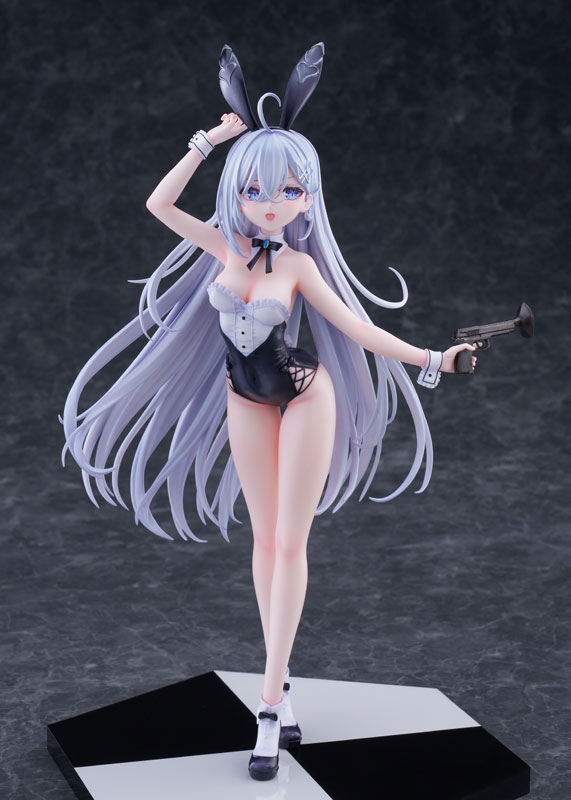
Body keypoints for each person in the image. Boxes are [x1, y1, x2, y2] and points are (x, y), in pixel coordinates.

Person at [61, 43, 476, 781]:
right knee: (264, 544)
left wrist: (432, 360)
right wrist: (210, 141)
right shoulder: (223, 246)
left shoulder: (300, 265)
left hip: (306, 396)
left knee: (290, 544)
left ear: (308, 199)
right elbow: (159, 206)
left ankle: (267, 704)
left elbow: (358, 330)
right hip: (243, 398)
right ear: (237, 194)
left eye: (289, 191)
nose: (272, 203)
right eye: (256, 190)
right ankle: (279, 688)